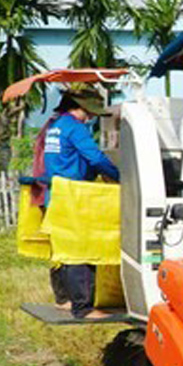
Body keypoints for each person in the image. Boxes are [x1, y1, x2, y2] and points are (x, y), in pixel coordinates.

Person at [43, 88, 120, 319]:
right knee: (81, 250)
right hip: (74, 196)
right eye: (92, 111)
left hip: (56, 194)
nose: (94, 116)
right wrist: (120, 176)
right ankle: (83, 308)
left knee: (63, 250)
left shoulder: (55, 127)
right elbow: (95, 157)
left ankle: (64, 299)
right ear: (81, 107)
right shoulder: (76, 128)